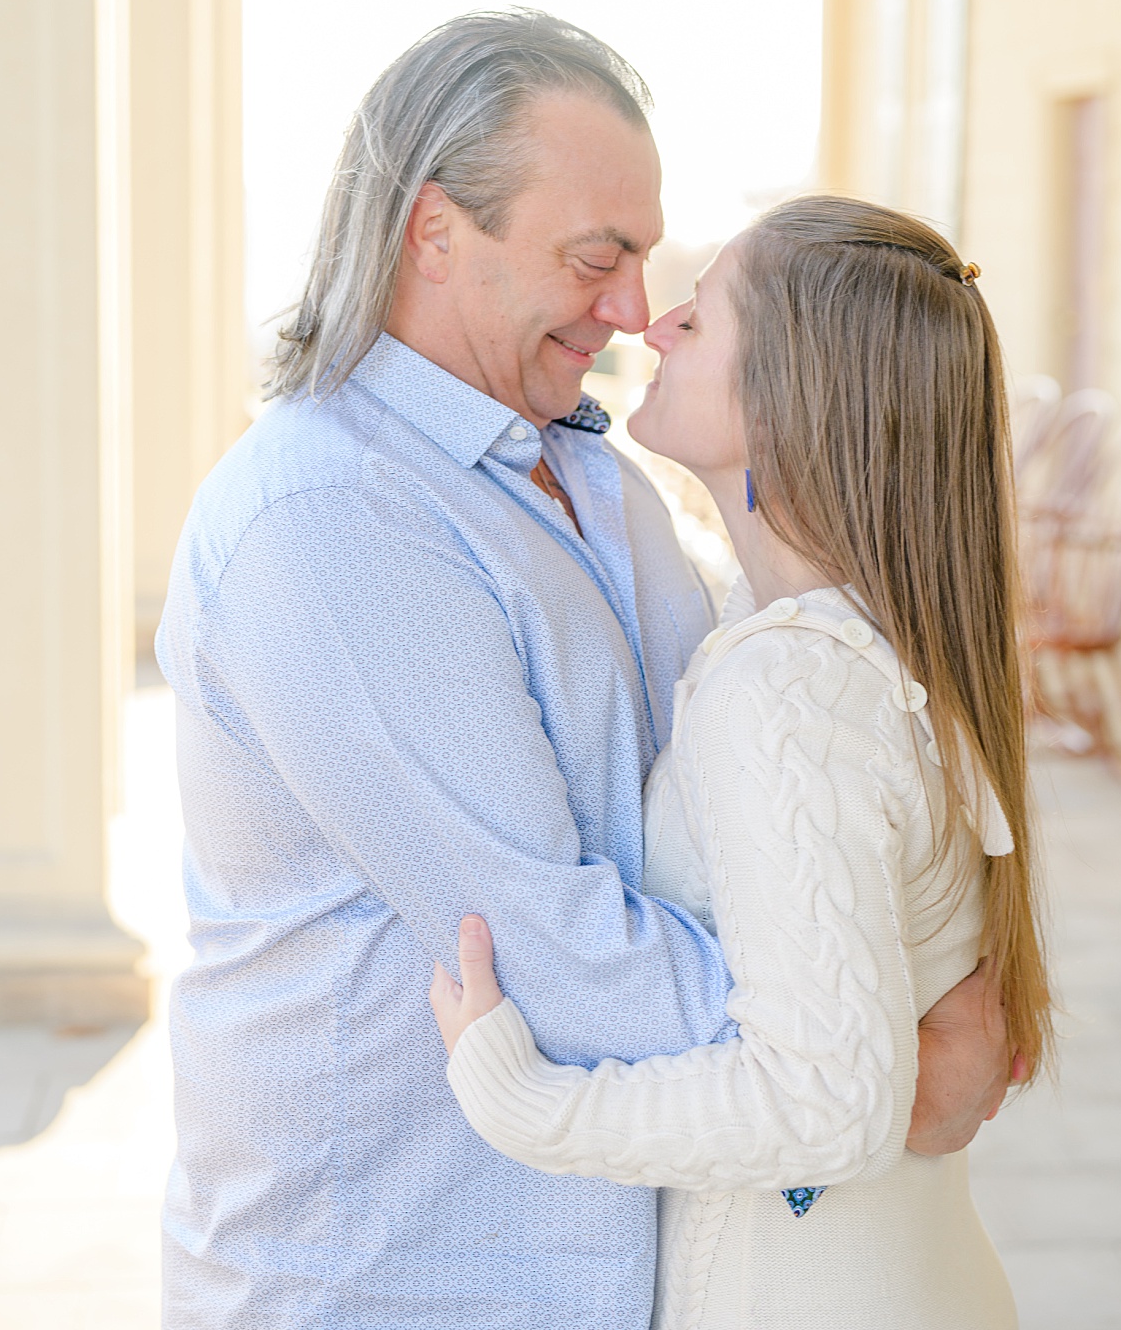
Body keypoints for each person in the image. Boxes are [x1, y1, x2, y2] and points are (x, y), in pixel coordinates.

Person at [154, 10, 1016, 1329]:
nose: (632, 312)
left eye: (650, 267)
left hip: (614, 1267)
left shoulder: (601, 483)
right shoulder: (331, 519)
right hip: (403, 1281)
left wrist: (884, 992)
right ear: (435, 234)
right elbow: (553, 953)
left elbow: (782, 819)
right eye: (596, 260)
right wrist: (882, 1040)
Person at [427, 198, 1048, 1328]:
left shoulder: (791, 687)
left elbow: (823, 1103)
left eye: (701, 320)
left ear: (787, 395)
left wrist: (527, 1104)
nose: (654, 324)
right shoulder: (887, 638)